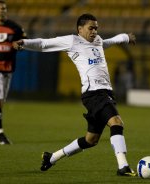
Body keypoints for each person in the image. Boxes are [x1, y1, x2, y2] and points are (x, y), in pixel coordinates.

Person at [13, 13, 136, 176]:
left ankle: (52, 157)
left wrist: (126, 37)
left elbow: (110, 41)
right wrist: (24, 43)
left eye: (96, 28)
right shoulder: (72, 41)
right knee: (117, 123)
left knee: (90, 140)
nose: (94, 31)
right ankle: (123, 166)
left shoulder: (98, 41)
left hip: (105, 93)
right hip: (94, 93)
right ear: (80, 29)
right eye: (91, 28)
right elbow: (44, 44)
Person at [0, 0, 26, 145]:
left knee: (0, 102)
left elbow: (25, 43)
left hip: (8, 69)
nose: (1, 10)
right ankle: (0, 135)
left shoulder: (15, 28)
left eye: (3, 8)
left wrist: (20, 45)